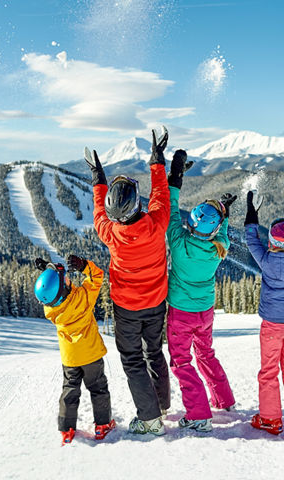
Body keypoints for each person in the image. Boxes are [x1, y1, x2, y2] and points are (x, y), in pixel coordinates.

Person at [83, 126, 171, 436]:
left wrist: (98, 179)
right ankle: (160, 405)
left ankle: (150, 419)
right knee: (154, 352)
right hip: (157, 303)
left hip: (127, 309)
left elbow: (97, 212)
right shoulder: (156, 223)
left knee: (133, 360)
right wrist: (156, 160)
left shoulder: (109, 233)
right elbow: (161, 192)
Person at [165, 150, 237, 433]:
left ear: (192, 221)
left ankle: (198, 414)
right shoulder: (219, 248)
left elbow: (171, 211)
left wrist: (175, 179)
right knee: (206, 354)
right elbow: (223, 232)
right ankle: (223, 400)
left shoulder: (179, 241)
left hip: (181, 313)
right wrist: (225, 213)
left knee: (182, 361)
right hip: (205, 312)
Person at [243, 190, 284, 435]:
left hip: (272, 326)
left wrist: (252, 212)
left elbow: (251, 241)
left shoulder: (269, 262)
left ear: (272, 242)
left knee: (269, 371)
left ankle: (270, 419)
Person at [33, 254, 115, 445]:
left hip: (70, 358)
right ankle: (103, 425)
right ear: (64, 288)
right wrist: (85, 266)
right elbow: (97, 276)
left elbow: (52, 289)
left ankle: (66, 429)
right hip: (91, 354)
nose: (69, 278)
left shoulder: (51, 309)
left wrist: (48, 270)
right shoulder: (83, 297)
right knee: (98, 389)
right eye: (67, 279)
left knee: (70, 391)